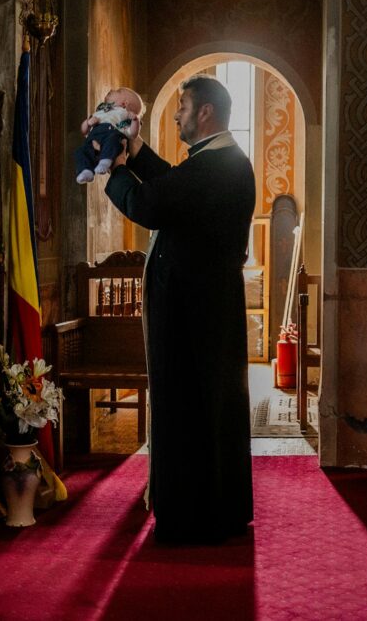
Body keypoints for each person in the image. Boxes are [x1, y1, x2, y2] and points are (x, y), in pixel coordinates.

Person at [100, 75, 255, 544]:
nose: (176, 114)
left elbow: (152, 203)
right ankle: (211, 507)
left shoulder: (217, 167)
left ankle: (192, 515)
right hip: (203, 309)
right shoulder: (217, 162)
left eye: (183, 107)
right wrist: (138, 148)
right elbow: (174, 182)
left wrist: (116, 167)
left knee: (187, 407)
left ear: (205, 112)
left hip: (195, 315)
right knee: (204, 407)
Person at [74, 87, 142, 184]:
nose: (112, 90)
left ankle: (105, 161)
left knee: (113, 140)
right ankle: (86, 171)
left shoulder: (124, 115)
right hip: (94, 136)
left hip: (111, 133)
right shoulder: (101, 111)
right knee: (81, 150)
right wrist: (88, 123)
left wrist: (135, 120)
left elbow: (133, 134)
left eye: (118, 91)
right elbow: (84, 131)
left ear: (124, 103)